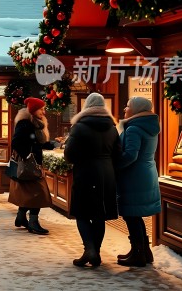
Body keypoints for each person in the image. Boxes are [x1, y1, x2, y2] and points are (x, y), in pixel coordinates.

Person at [63, 93, 122, 267]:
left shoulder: (79, 127)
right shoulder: (112, 127)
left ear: (86, 106)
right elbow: (118, 154)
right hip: (107, 174)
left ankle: (89, 249)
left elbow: (70, 154)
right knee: (99, 215)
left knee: (81, 213)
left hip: (86, 172)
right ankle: (95, 250)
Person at [116, 96, 161, 267]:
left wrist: (115, 165)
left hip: (134, 176)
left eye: (127, 106)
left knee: (130, 214)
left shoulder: (134, 128)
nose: (125, 109)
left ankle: (138, 254)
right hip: (145, 174)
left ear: (136, 109)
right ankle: (142, 251)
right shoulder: (148, 126)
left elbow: (130, 155)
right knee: (135, 215)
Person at [8, 97, 54, 235]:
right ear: (34, 110)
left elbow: (37, 143)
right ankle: (33, 223)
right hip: (30, 164)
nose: (43, 112)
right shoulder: (25, 124)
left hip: (34, 164)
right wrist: (27, 155)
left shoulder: (35, 123)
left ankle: (21, 217)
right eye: (41, 109)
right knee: (38, 193)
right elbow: (16, 142)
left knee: (30, 192)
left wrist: (52, 144)